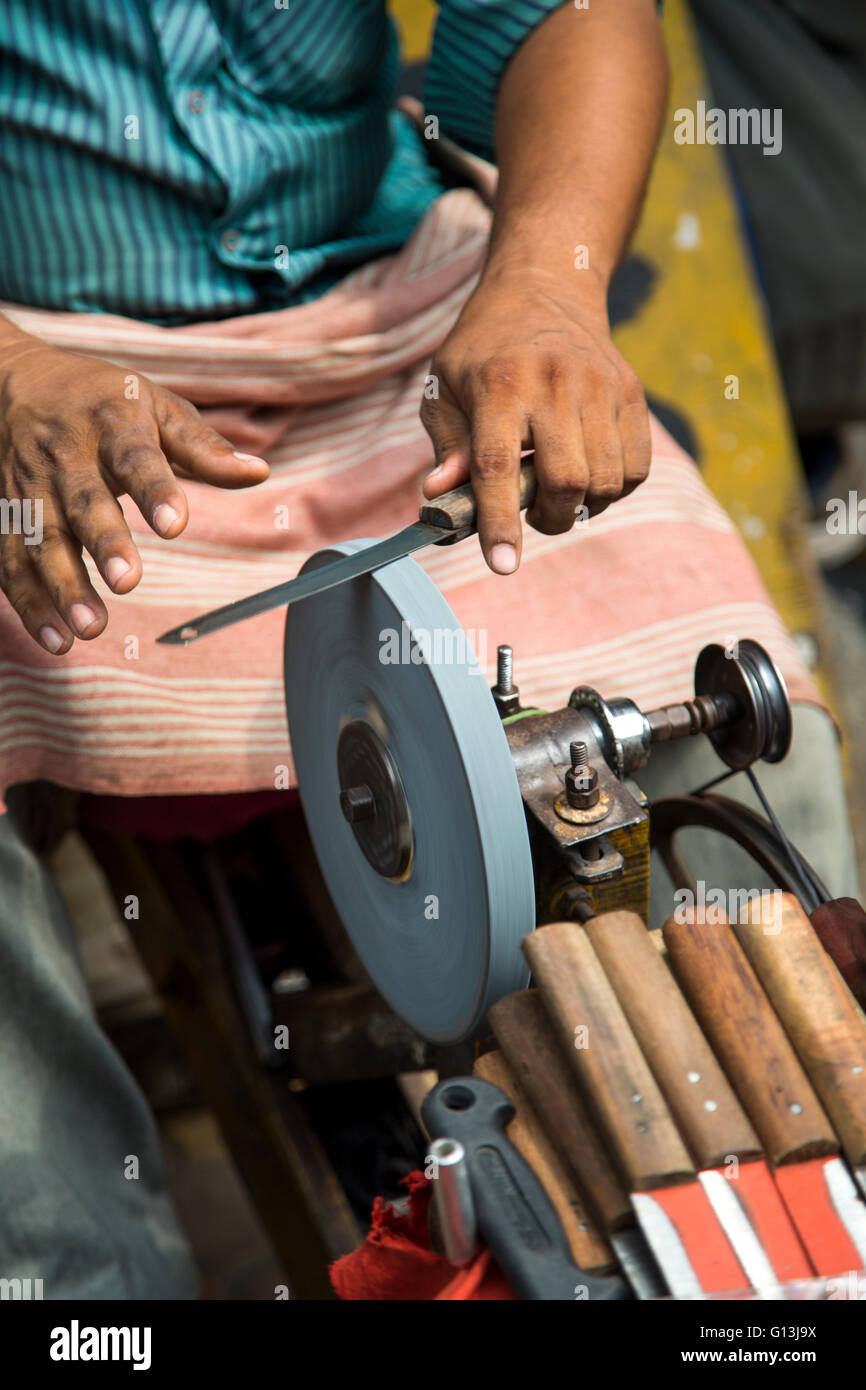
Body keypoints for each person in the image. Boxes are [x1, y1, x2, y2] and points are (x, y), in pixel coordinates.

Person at [0, 1, 854, 1298]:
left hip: (417, 330)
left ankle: (811, 1227)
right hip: (52, 379)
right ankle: (77, 1285)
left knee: (720, 695)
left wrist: (545, 285)